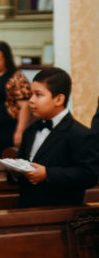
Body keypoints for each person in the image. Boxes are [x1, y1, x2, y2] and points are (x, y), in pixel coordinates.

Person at [14, 68, 99, 208]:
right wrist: (15, 171)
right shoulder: (30, 130)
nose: (31, 101)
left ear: (59, 99)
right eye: (31, 95)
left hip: (61, 212)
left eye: (38, 95)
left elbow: (89, 175)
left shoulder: (81, 134)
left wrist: (48, 174)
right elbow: (22, 163)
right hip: (26, 208)